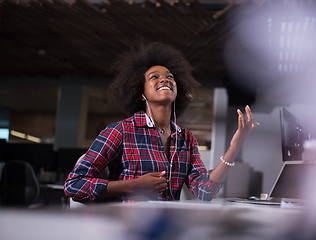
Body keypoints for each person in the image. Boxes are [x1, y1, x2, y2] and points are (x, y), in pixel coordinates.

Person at [64, 42, 259, 203]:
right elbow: (74, 184)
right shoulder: (120, 131)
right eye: (154, 77)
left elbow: (205, 191)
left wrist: (234, 147)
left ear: (178, 90)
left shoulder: (186, 139)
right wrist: (133, 185)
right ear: (140, 93)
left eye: (170, 77)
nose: (164, 80)